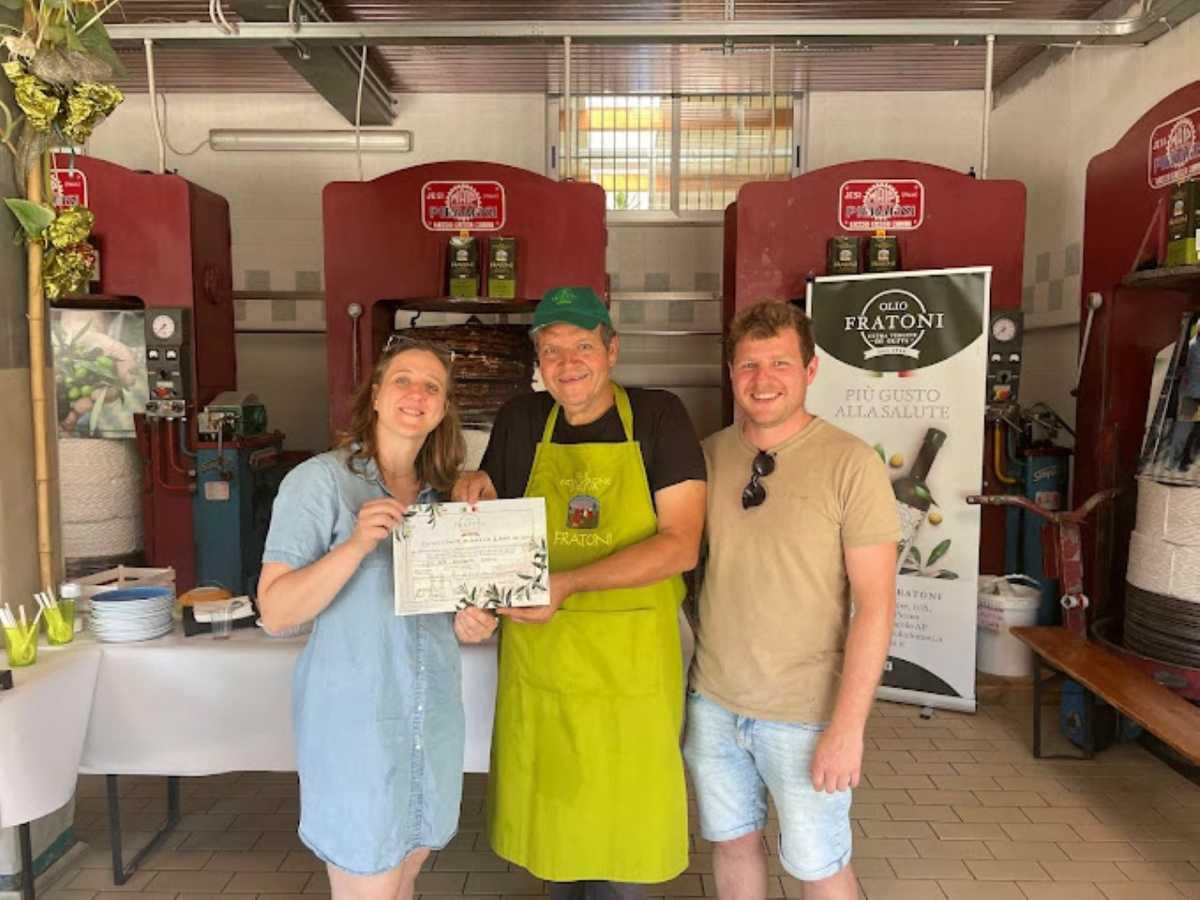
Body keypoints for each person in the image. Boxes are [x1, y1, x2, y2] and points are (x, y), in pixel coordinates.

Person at [454, 286, 707, 899]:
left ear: (611, 350)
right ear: (538, 361)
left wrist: (568, 582)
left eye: (582, 346)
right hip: (542, 664)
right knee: (556, 835)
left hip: (632, 669)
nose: (567, 363)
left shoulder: (659, 416)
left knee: (625, 840)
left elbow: (681, 545)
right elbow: (494, 532)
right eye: (551, 349)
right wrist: (471, 492)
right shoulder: (521, 420)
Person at [258, 336, 497, 900]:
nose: (417, 394)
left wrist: (474, 622)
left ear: (443, 408)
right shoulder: (319, 482)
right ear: (375, 396)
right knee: (371, 883)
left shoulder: (444, 498)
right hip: (357, 731)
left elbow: (452, 613)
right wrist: (356, 545)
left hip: (429, 723)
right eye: (403, 380)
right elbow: (276, 610)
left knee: (405, 872)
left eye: (432, 387)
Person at [683, 301, 900, 900]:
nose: (763, 379)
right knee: (732, 844)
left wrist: (848, 728)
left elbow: (876, 606)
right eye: (749, 365)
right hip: (714, 701)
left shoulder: (850, 463)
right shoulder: (708, 456)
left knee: (819, 866)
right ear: (732, 373)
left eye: (779, 363)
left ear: (810, 369)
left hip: (807, 713)